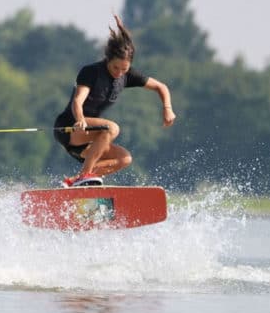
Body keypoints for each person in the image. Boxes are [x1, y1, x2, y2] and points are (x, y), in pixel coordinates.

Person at [53, 14, 177, 187]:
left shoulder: (128, 75)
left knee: (124, 158)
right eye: (115, 67)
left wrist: (167, 108)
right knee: (112, 128)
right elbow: (77, 101)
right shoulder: (92, 72)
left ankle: (75, 181)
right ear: (108, 60)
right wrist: (80, 119)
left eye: (124, 69)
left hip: (92, 141)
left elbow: (160, 86)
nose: (119, 72)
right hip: (70, 127)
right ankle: (84, 176)